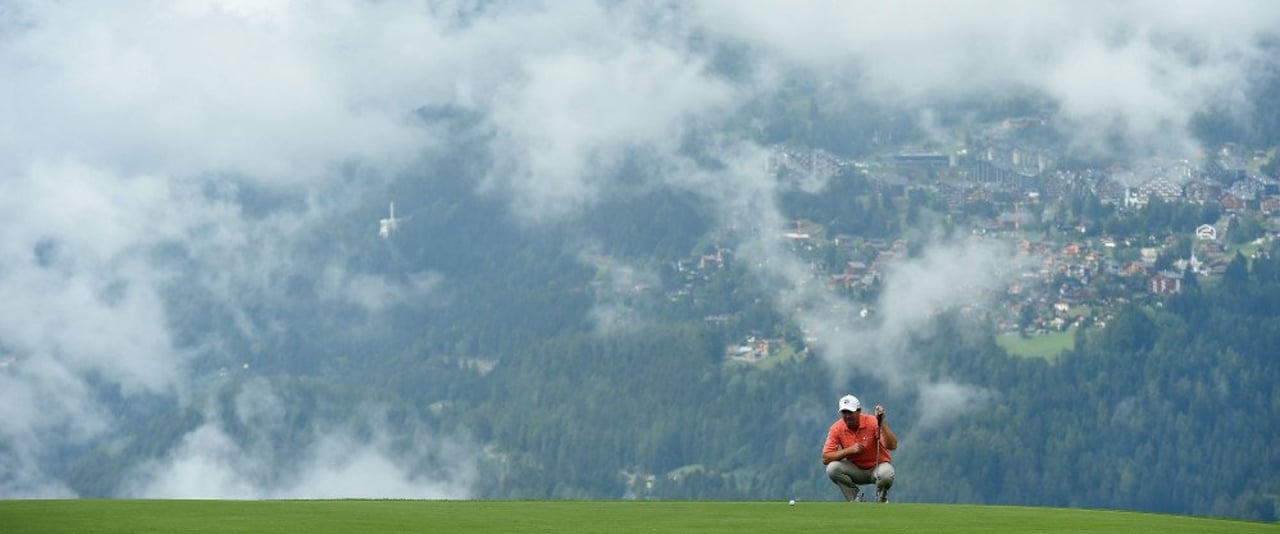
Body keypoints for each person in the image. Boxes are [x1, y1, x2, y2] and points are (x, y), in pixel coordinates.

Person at [822, 394, 898, 502]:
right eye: (844, 412)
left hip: (877, 467)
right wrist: (849, 450)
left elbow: (892, 445)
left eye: (850, 412)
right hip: (855, 469)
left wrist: (882, 423)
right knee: (832, 468)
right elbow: (825, 458)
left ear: (859, 411)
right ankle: (856, 499)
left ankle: (882, 499)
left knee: (886, 474)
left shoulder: (872, 422)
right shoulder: (836, 428)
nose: (847, 416)